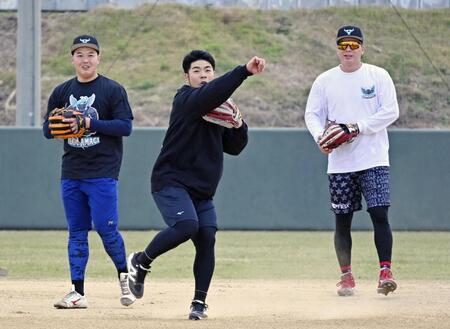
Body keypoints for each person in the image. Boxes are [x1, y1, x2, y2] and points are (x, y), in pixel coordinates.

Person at [127, 50, 266, 319]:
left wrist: (239, 124)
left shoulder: (217, 109)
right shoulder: (186, 99)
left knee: (207, 238)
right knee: (186, 225)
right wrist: (244, 71)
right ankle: (140, 261)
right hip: (170, 181)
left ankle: (198, 304)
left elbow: (234, 148)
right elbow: (208, 95)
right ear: (186, 77)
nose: (203, 75)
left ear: (213, 74)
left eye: (208, 71)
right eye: (196, 71)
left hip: (202, 191)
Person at [304, 26, 399, 296]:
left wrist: (356, 127)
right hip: (340, 162)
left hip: (374, 158)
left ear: (362, 48)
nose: (348, 49)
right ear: (337, 48)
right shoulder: (325, 80)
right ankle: (346, 276)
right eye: (343, 45)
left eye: (354, 45)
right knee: (342, 219)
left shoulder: (378, 75)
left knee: (379, 213)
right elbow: (312, 114)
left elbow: (391, 111)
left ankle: (385, 272)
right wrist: (321, 137)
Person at [43, 35, 135, 308]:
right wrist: (61, 123)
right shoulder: (61, 92)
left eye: (90, 54)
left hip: (102, 171)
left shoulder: (112, 90)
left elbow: (125, 127)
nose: (85, 59)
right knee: (77, 232)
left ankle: (124, 276)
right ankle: (77, 292)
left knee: (107, 229)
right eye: (80, 54)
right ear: (72, 58)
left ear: (99, 58)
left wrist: (88, 122)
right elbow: (47, 131)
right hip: (71, 171)